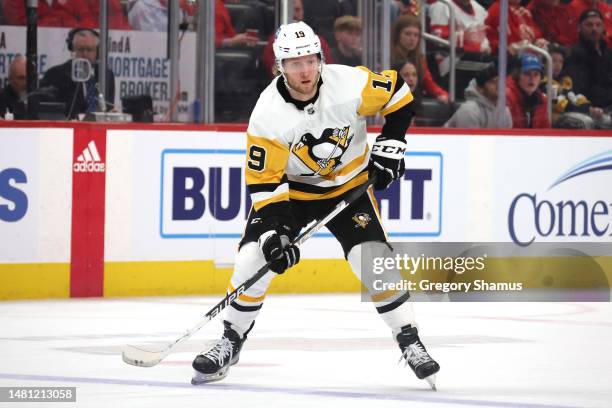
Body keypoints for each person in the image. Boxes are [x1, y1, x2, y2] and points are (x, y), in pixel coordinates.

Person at [191, 21, 440, 389]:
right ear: (279, 67)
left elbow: (400, 95)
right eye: (294, 63)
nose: (304, 70)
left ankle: (409, 339)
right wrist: (275, 234)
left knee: (374, 261)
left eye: (310, 60)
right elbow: (265, 181)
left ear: (320, 59)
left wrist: (392, 144)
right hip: (292, 196)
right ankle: (231, 339)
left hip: (348, 189)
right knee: (253, 259)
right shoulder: (267, 113)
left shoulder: (349, 84)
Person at [40, 28, 115, 118]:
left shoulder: (106, 75)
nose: (85, 54)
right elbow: (49, 114)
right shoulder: (55, 75)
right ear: (72, 51)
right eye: (80, 49)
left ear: (97, 52)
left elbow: (108, 108)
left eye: (89, 49)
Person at [262, 0, 333, 77]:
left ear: (303, 12)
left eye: (297, 10)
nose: (294, 14)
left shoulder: (318, 41)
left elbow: (328, 70)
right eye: (290, 11)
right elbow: (273, 70)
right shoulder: (275, 42)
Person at [542, 43, 605, 127]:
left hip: (571, 113)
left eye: (561, 61)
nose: (558, 65)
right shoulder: (544, 82)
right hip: (554, 117)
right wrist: (588, 110)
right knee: (586, 122)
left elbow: (575, 98)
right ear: (545, 63)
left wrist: (593, 109)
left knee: (605, 120)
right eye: (554, 61)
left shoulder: (565, 80)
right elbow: (562, 106)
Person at [391, 15, 449, 103]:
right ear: (397, 35)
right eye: (407, 34)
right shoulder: (387, 56)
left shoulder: (420, 58)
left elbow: (428, 82)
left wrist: (440, 94)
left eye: (416, 35)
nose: (412, 39)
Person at [565, 9, 612, 109]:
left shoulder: (608, 53)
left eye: (598, 25)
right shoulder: (574, 54)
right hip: (592, 109)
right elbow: (583, 89)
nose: (594, 29)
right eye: (589, 25)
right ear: (579, 27)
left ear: (603, 27)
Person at [445, 62, 512, 128]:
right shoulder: (470, 110)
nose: (500, 85)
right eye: (494, 81)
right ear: (480, 88)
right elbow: (469, 139)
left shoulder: (504, 111)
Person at [506, 53, 550, 128]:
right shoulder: (507, 97)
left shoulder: (542, 100)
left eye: (536, 74)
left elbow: (546, 131)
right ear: (517, 75)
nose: (532, 78)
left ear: (541, 78)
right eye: (527, 74)